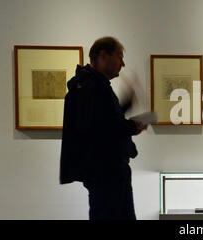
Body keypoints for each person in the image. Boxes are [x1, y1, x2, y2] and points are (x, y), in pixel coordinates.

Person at [59, 37, 147, 220]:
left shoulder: (92, 84)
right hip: (106, 173)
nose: (122, 63)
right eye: (119, 57)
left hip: (106, 172)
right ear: (102, 55)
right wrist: (132, 126)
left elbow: (104, 119)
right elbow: (101, 128)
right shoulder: (91, 86)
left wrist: (127, 106)